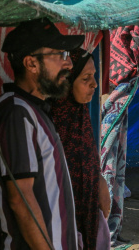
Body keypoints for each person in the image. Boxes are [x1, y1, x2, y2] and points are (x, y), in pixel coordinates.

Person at [0, 18, 84, 249]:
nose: (68, 64)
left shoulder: (33, 110)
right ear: (31, 63)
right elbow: (21, 199)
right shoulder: (16, 113)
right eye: (60, 54)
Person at [50, 49, 111, 250]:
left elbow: (87, 156)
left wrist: (99, 180)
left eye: (93, 76)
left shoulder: (81, 113)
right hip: (62, 213)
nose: (94, 84)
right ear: (67, 81)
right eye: (86, 78)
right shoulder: (50, 120)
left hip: (88, 205)